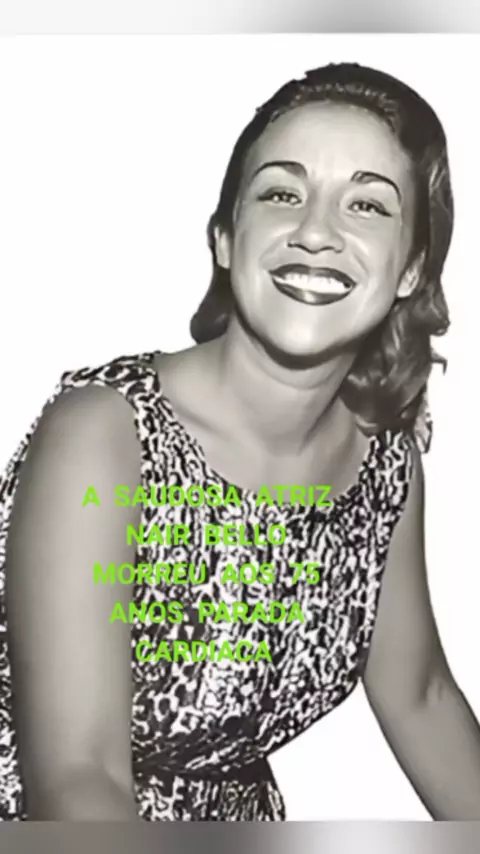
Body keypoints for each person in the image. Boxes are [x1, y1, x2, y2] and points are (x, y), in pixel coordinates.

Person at [0, 60, 479, 823]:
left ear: (411, 270)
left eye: (366, 204)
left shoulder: (385, 465)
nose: (316, 231)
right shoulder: (103, 434)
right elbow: (77, 781)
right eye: (282, 193)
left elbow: (420, 697)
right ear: (226, 238)